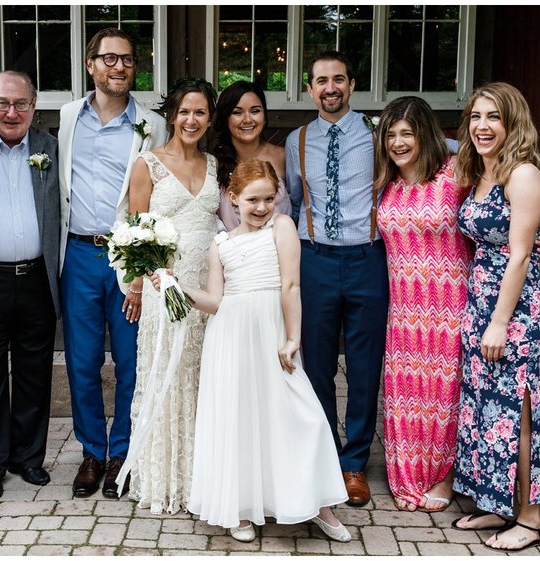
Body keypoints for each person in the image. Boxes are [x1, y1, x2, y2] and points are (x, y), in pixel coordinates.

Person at [172, 160, 355, 544]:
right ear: (233, 199)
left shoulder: (282, 227)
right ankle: (238, 507)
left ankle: (320, 504)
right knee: (238, 416)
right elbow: (215, 301)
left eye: (269, 199)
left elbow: (291, 285)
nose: (260, 207)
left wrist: (293, 338)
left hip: (272, 332)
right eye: (252, 199)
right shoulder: (219, 244)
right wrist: (178, 286)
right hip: (231, 334)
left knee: (299, 414)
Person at [57, 28, 168, 498]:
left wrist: (146, 265)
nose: (117, 67)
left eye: (125, 59)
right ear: (90, 65)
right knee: (81, 361)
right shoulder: (66, 118)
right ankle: (91, 452)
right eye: (108, 59)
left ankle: (122, 452)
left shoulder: (152, 125)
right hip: (79, 253)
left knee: (129, 361)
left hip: (129, 258)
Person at [446, 82, 540, 552]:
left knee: (520, 415)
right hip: (482, 305)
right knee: (487, 413)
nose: (482, 126)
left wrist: (498, 322)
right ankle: (496, 503)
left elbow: (518, 257)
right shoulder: (482, 174)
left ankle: (530, 520)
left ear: (513, 123)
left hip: (514, 314)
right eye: (476, 117)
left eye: (494, 117)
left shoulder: (522, 174)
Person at [280, 51, 390, 505]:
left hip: (367, 259)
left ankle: (355, 463)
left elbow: (436, 150)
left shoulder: (378, 133)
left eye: (338, 80)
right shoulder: (296, 140)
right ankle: (327, 454)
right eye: (321, 81)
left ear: (351, 85)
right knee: (317, 363)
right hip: (315, 261)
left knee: (364, 367)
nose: (330, 88)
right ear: (310, 88)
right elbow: (290, 197)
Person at [111, 78, 224, 514]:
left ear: (209, 118)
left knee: (201, 381)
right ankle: (165, 479)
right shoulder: (148, 164)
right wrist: (139, 286)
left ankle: (203, 478)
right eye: (184, 112)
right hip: (165, 290)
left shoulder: (215, 165)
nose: (191, 120)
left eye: (200, 112)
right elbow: (135, 232)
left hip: (206, 294)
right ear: (171, 116)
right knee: (167, 376)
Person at [0, 71, 63, 500]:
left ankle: (28, 458)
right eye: (2, 103)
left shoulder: (48, 147)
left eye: (21, 104)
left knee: (33, 374)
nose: (12, 112)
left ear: (34, 106)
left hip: (37, 278)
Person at [371, 95, 470, 513]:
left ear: (425, 135)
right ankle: (409, 474)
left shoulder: (455, 174)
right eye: (391, 135)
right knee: (407, 395)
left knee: (446, 395)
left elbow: (500, 206)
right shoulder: (387, 184)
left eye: (407, 134)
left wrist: (532, 237)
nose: (398, 142)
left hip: (450, 305)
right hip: (405, 310)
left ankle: (444, 477)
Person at [207, 80, 284, 232]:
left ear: (264, 114)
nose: (247, 119)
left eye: (255, 111)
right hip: (231, 252)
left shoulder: (283, 157)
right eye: (237, 112)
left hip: (279, 250)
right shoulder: (214, 163)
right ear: (225, 118)